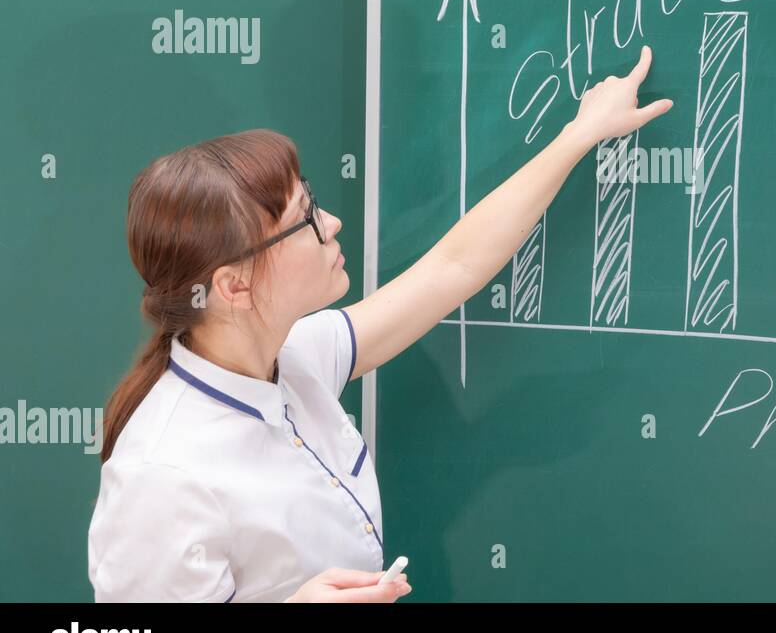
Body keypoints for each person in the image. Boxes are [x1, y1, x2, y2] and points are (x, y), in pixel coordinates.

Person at [88, 46, 672, 602]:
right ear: (234, 285)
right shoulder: (162, 476)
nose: (332, 221)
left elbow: (454, 266)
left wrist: (580, 135)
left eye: (313, 199)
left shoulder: (293, 358)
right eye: (306, 220)